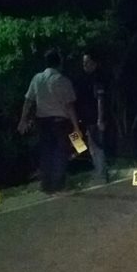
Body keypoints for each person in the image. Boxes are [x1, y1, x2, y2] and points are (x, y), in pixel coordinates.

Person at [18, 50, 82, 193]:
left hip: (43, 122)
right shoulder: (62, 80)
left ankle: (46, 185)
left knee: (46, 153)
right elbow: (69, 106)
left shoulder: (37, 79)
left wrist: (23, 119)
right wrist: (76, 126)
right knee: (60, 153)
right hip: (60, 122)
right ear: (59, 63)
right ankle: (58, 185)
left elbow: (28, 101)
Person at [77, 52, 110, 184]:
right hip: (89, 119)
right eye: (83, 63)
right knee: (92, 145)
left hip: (94, 119)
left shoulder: (97, 79)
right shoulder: (89, 78)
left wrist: (100, 119)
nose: (84, 65)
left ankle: (101, 174)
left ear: (94, 63)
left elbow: (100, 100)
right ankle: (99, 171)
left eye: (87, 62)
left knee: (97, 146)